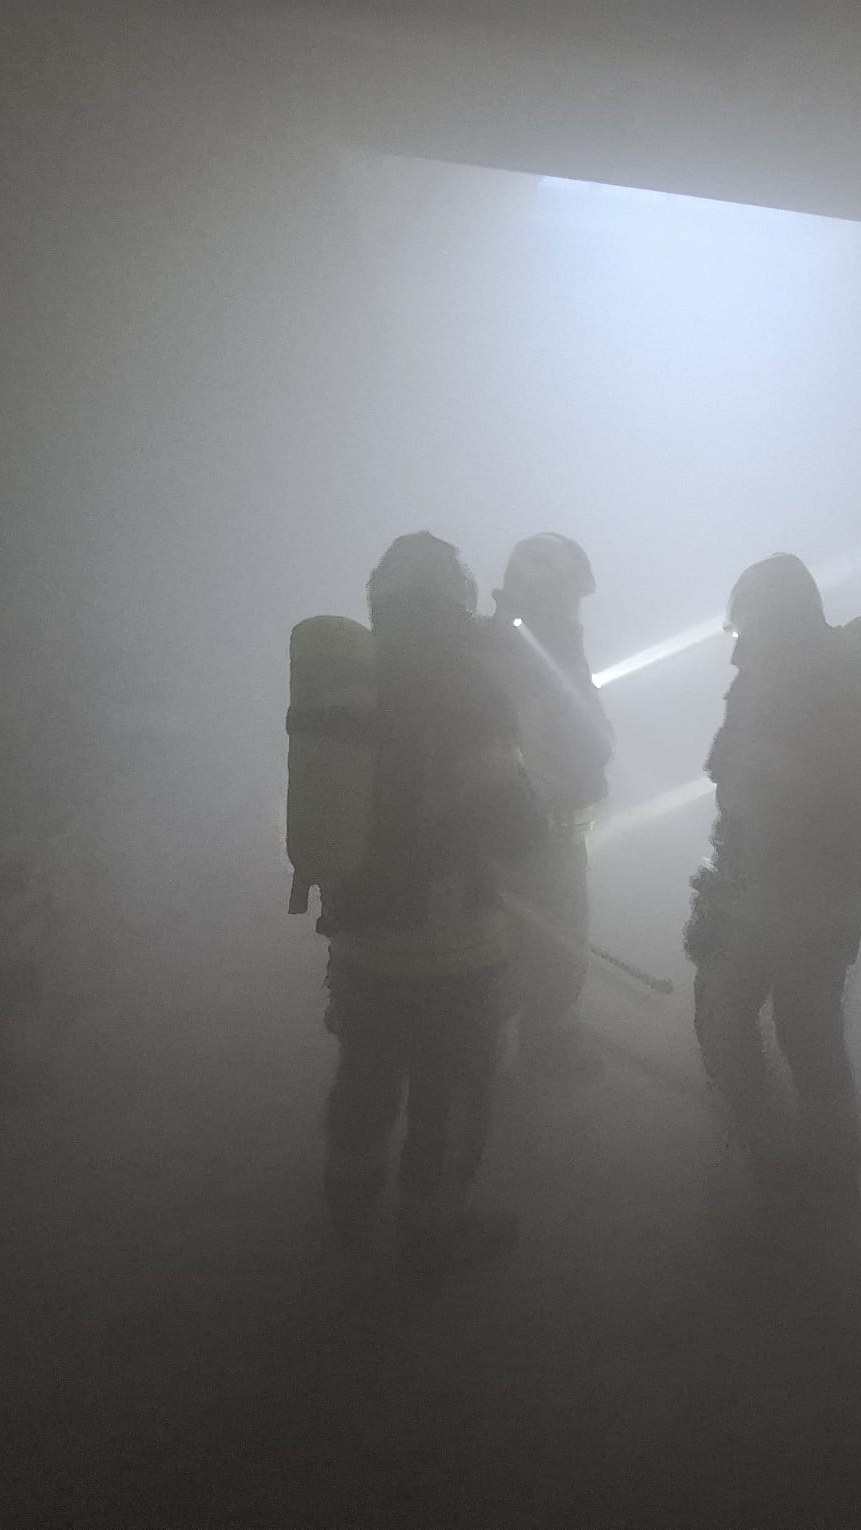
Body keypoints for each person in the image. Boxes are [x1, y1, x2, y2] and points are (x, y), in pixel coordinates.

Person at [312, 533, 545, 1266]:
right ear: (458, 597)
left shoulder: (347, 680)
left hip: (359, 940)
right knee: (448, 1090)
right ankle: (430, 1227)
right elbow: (511, 825)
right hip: (453, 948)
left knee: (365, 1074)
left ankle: (348, 1204)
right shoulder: (468, 686)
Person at [683, 553, 861, 1227]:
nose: (737, 640)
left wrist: (729, 885)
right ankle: (831, 1181)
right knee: (811, 1031)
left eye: (739, 624)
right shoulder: (833, 675)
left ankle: (772, 1163)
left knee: (725, 1020)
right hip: (834, 890)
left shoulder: (777, 683)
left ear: (760, 614)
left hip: (776, 888)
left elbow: (751, 796)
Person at [481, 533, 614, 1077]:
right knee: (510, 959)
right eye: (568, 594)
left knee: (559, 955)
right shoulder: (506, 654)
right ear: (540, 591)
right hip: (519, 841)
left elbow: (586, 732)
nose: (575, 607)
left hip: (554, 838)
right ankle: (488, 1074)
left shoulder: (551, 647)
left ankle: (546, 1047)